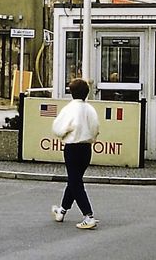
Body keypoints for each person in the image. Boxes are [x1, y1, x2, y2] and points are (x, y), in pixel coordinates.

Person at [51, 78, 100, 229]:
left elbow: (58, 128)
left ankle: (88, 215)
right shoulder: (90, 109)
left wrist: (66, 133)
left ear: (71, 92)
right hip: (87, 148)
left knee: (75, 182)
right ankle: (62, 210)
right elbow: (96, 128)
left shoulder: (69, 109)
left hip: (72, 147)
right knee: (74, 180)